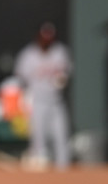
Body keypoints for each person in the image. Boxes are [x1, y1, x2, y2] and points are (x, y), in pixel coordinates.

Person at [14, 22, 72, 170]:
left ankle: (63, 170)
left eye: (49, 37)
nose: (46, 40)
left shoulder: (60, 52)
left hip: (56, 101)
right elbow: (21, 79)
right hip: (37, 101)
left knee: (61, 136)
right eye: (44, 37)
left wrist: (61, 79)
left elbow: (66, 74)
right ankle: (41, 174)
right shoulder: (28, 55)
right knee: (38, 138)